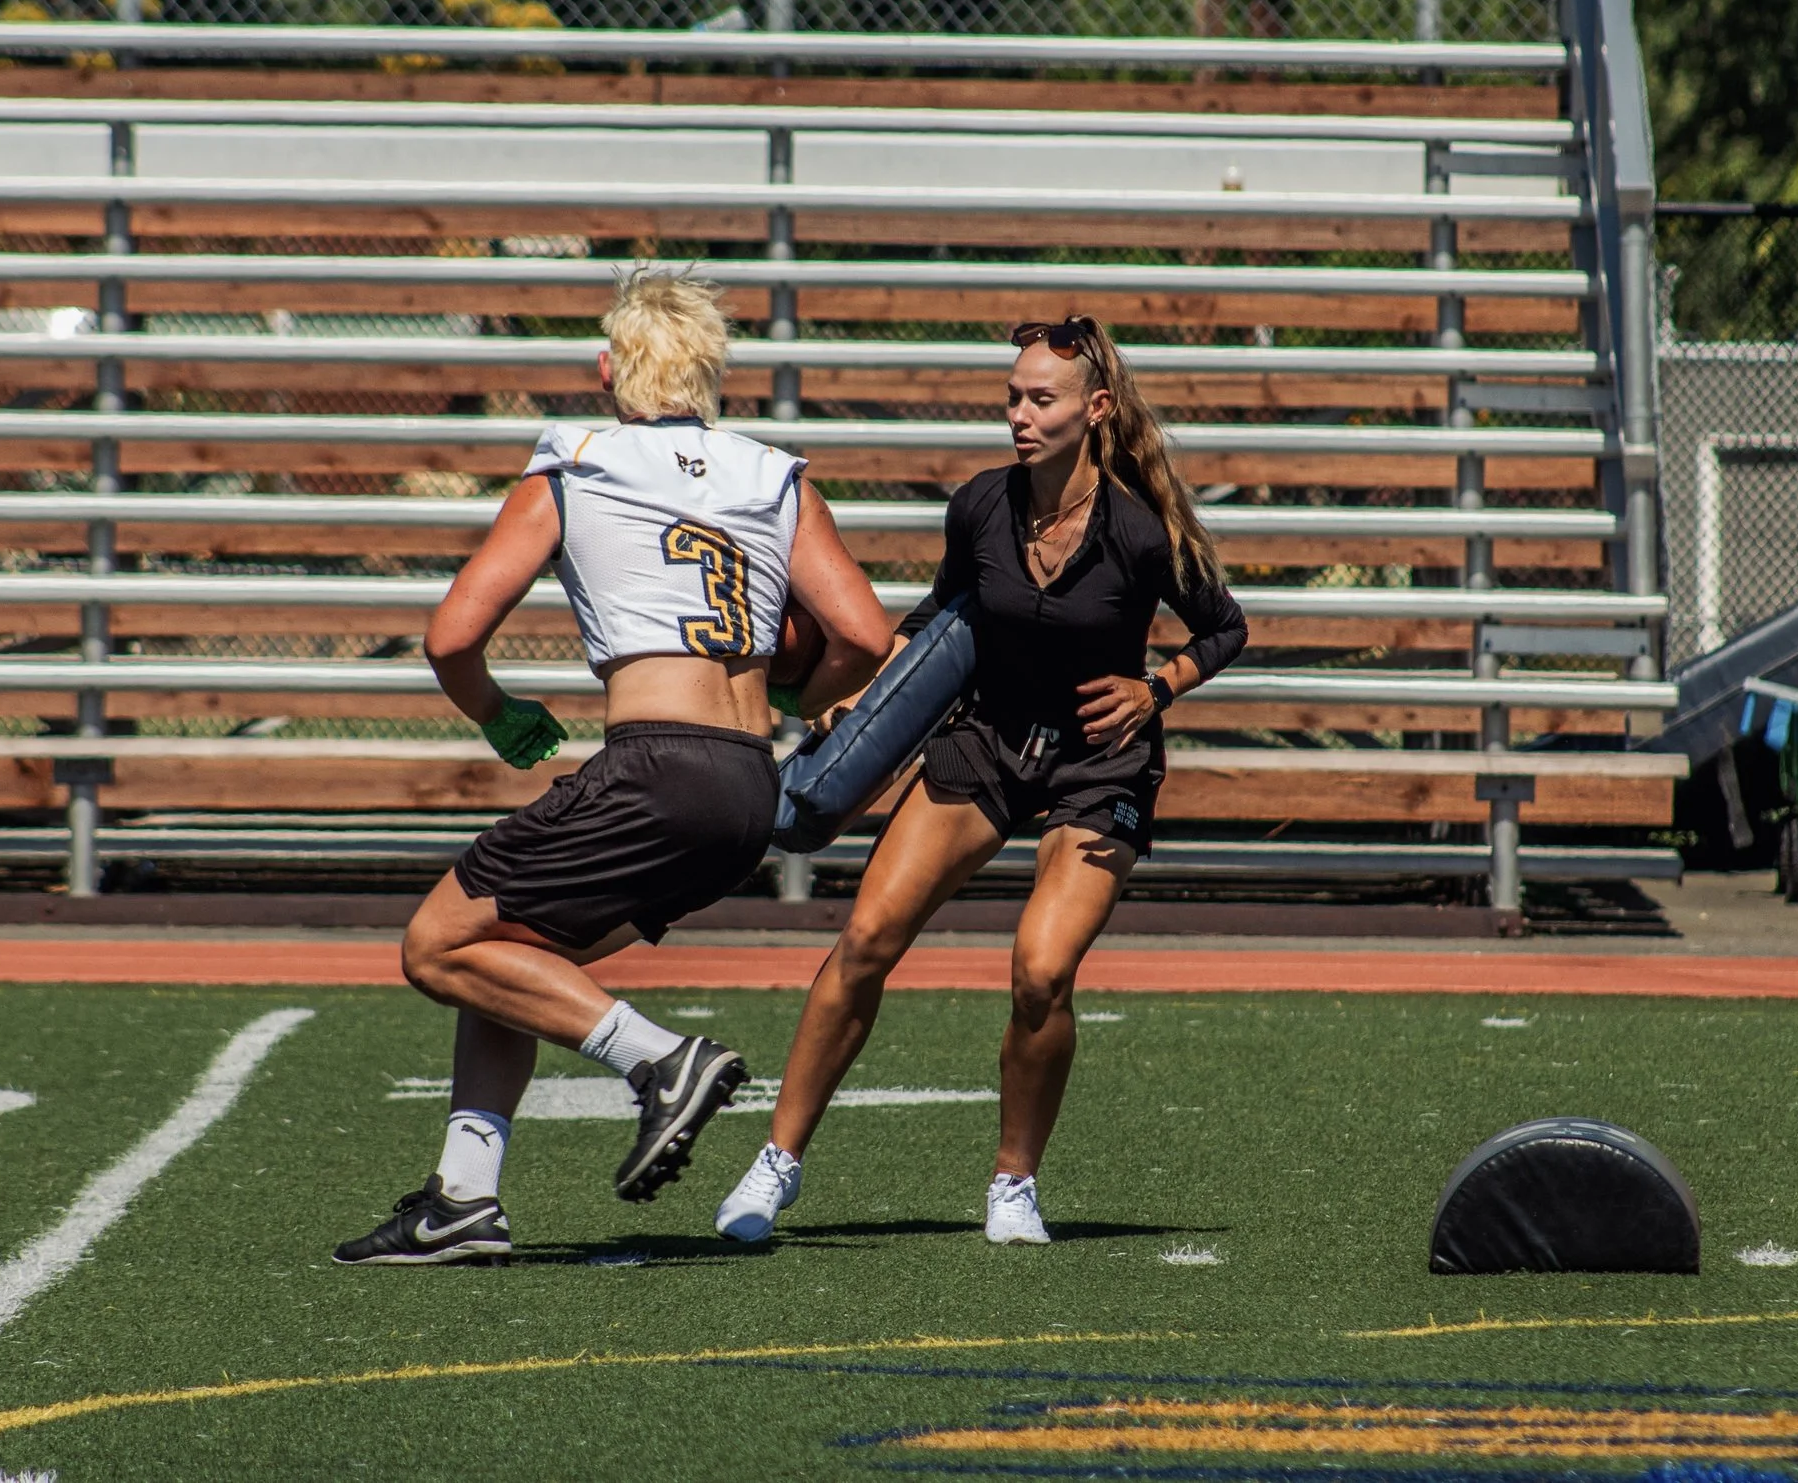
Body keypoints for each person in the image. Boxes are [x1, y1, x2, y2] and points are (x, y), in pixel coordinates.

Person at [335, 271, 892, 1266]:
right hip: (746, 786)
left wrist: (498, 713)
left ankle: (661, 1062)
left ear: (607, 367)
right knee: (510, 953)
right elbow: (862, 634)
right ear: (713, 372)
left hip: (654, 768)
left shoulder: (576, 462)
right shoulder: (775, 475)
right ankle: (463, 1196)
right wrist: (795, 697)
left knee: (434, 945)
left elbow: (451, 636)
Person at [715, 315, 1246, 1247]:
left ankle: (1014, 1182)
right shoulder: (979, 505)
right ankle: (777, 1162)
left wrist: (1155, 688)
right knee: (867, 936)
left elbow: (1225, 628)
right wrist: (862, 704)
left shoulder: (1139, 526)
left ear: (1096, 408)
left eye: (1041, 399)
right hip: (987, 743)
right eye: (1012, 397)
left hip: (1099, 762)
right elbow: (937, 619)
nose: (1019, 415)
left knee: (1042, 970)